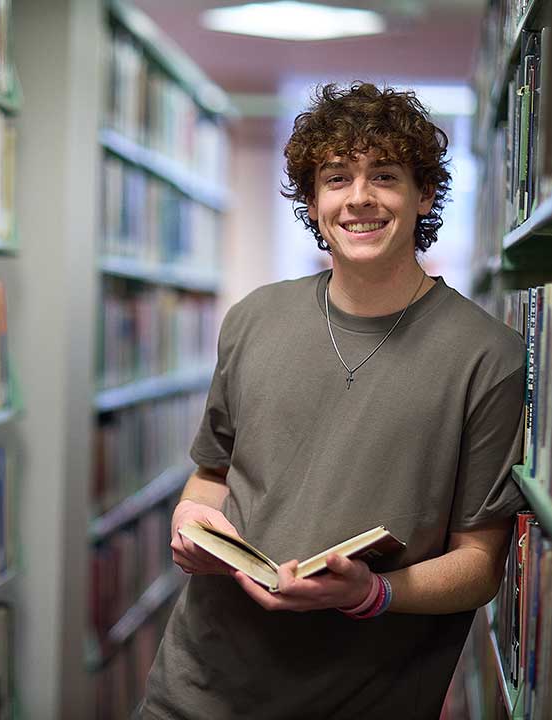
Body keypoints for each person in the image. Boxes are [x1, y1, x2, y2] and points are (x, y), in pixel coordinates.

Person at [139, 82, 526, 719]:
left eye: (386, 175)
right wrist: (189, 524)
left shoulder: (489, 356)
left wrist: (372, 592)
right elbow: (211, 474)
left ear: (424, 194)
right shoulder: (253, 318)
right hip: (195, 689)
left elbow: (480, 564)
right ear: (314, 201)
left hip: (363, 696)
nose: (359, 199)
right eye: (337, 177)